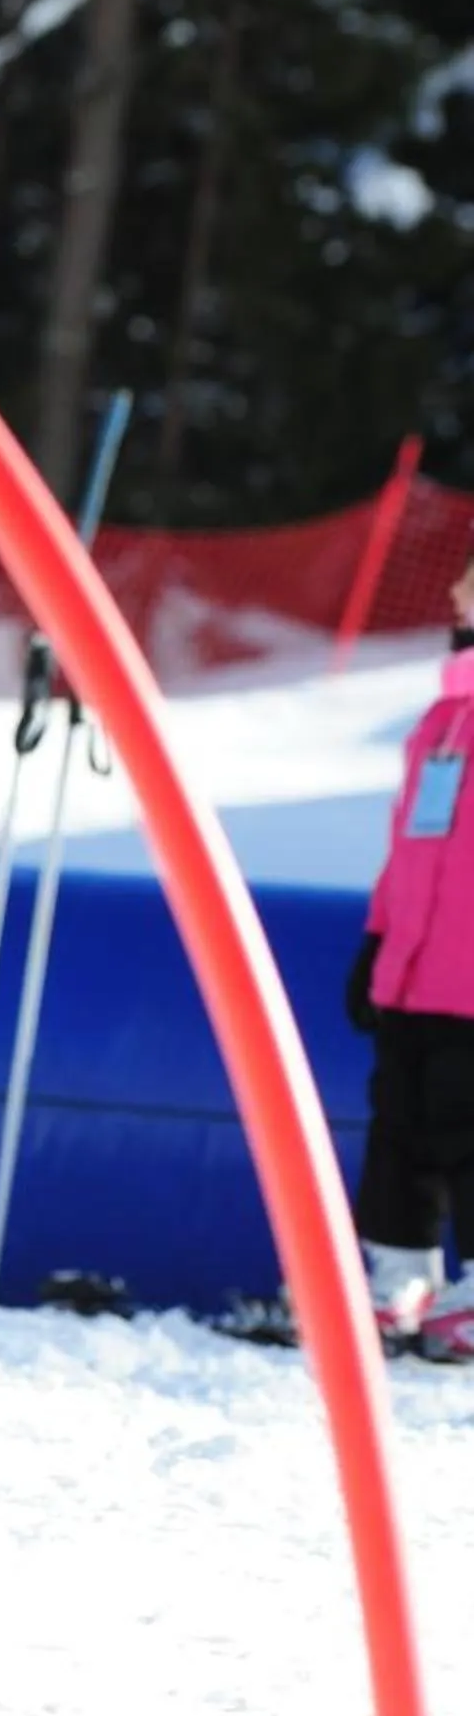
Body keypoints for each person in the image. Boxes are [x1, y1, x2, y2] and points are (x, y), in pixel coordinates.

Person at [344, 541, 474, 1360]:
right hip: (417, 977)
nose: (458, 592)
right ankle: (398, 1277)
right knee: (403, 1129)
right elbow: (415, 849)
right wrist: (381, 942)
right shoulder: (441, 721)